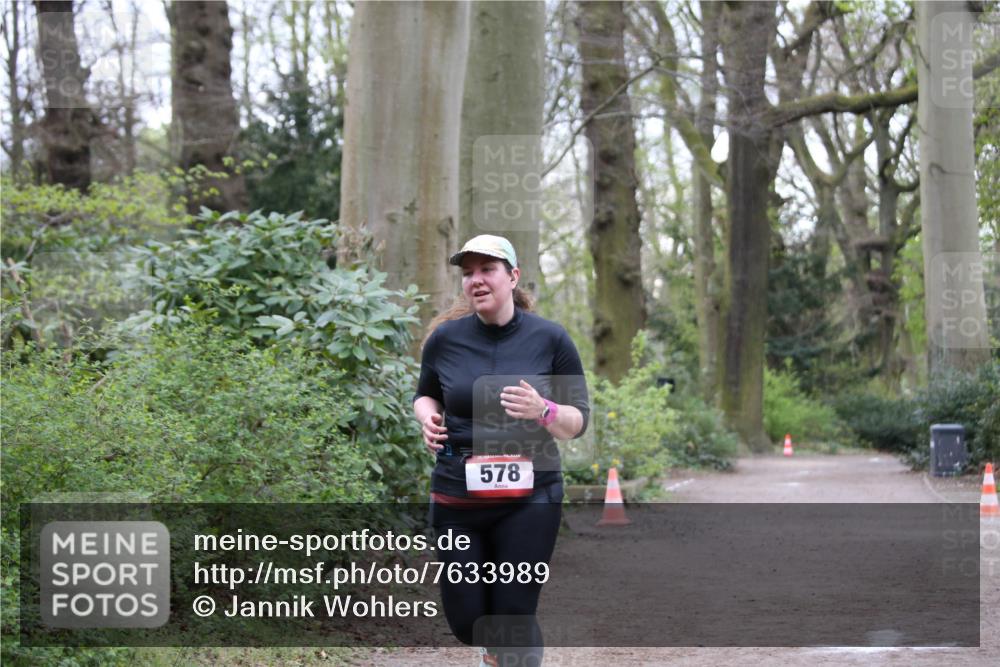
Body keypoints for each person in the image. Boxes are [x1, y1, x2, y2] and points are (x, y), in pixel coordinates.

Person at [413, 235, 590, 667]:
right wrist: (427, 419)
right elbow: (425, 395)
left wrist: (544, 409)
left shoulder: (551, 339)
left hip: (531, 498)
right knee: (467, 620)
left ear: (513, 277)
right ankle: (494, 652)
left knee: (513, 608)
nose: (476, 279)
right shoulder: (445, 340)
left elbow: (578, 421)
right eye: (468, 272)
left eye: (487, 269)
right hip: (458, 496)